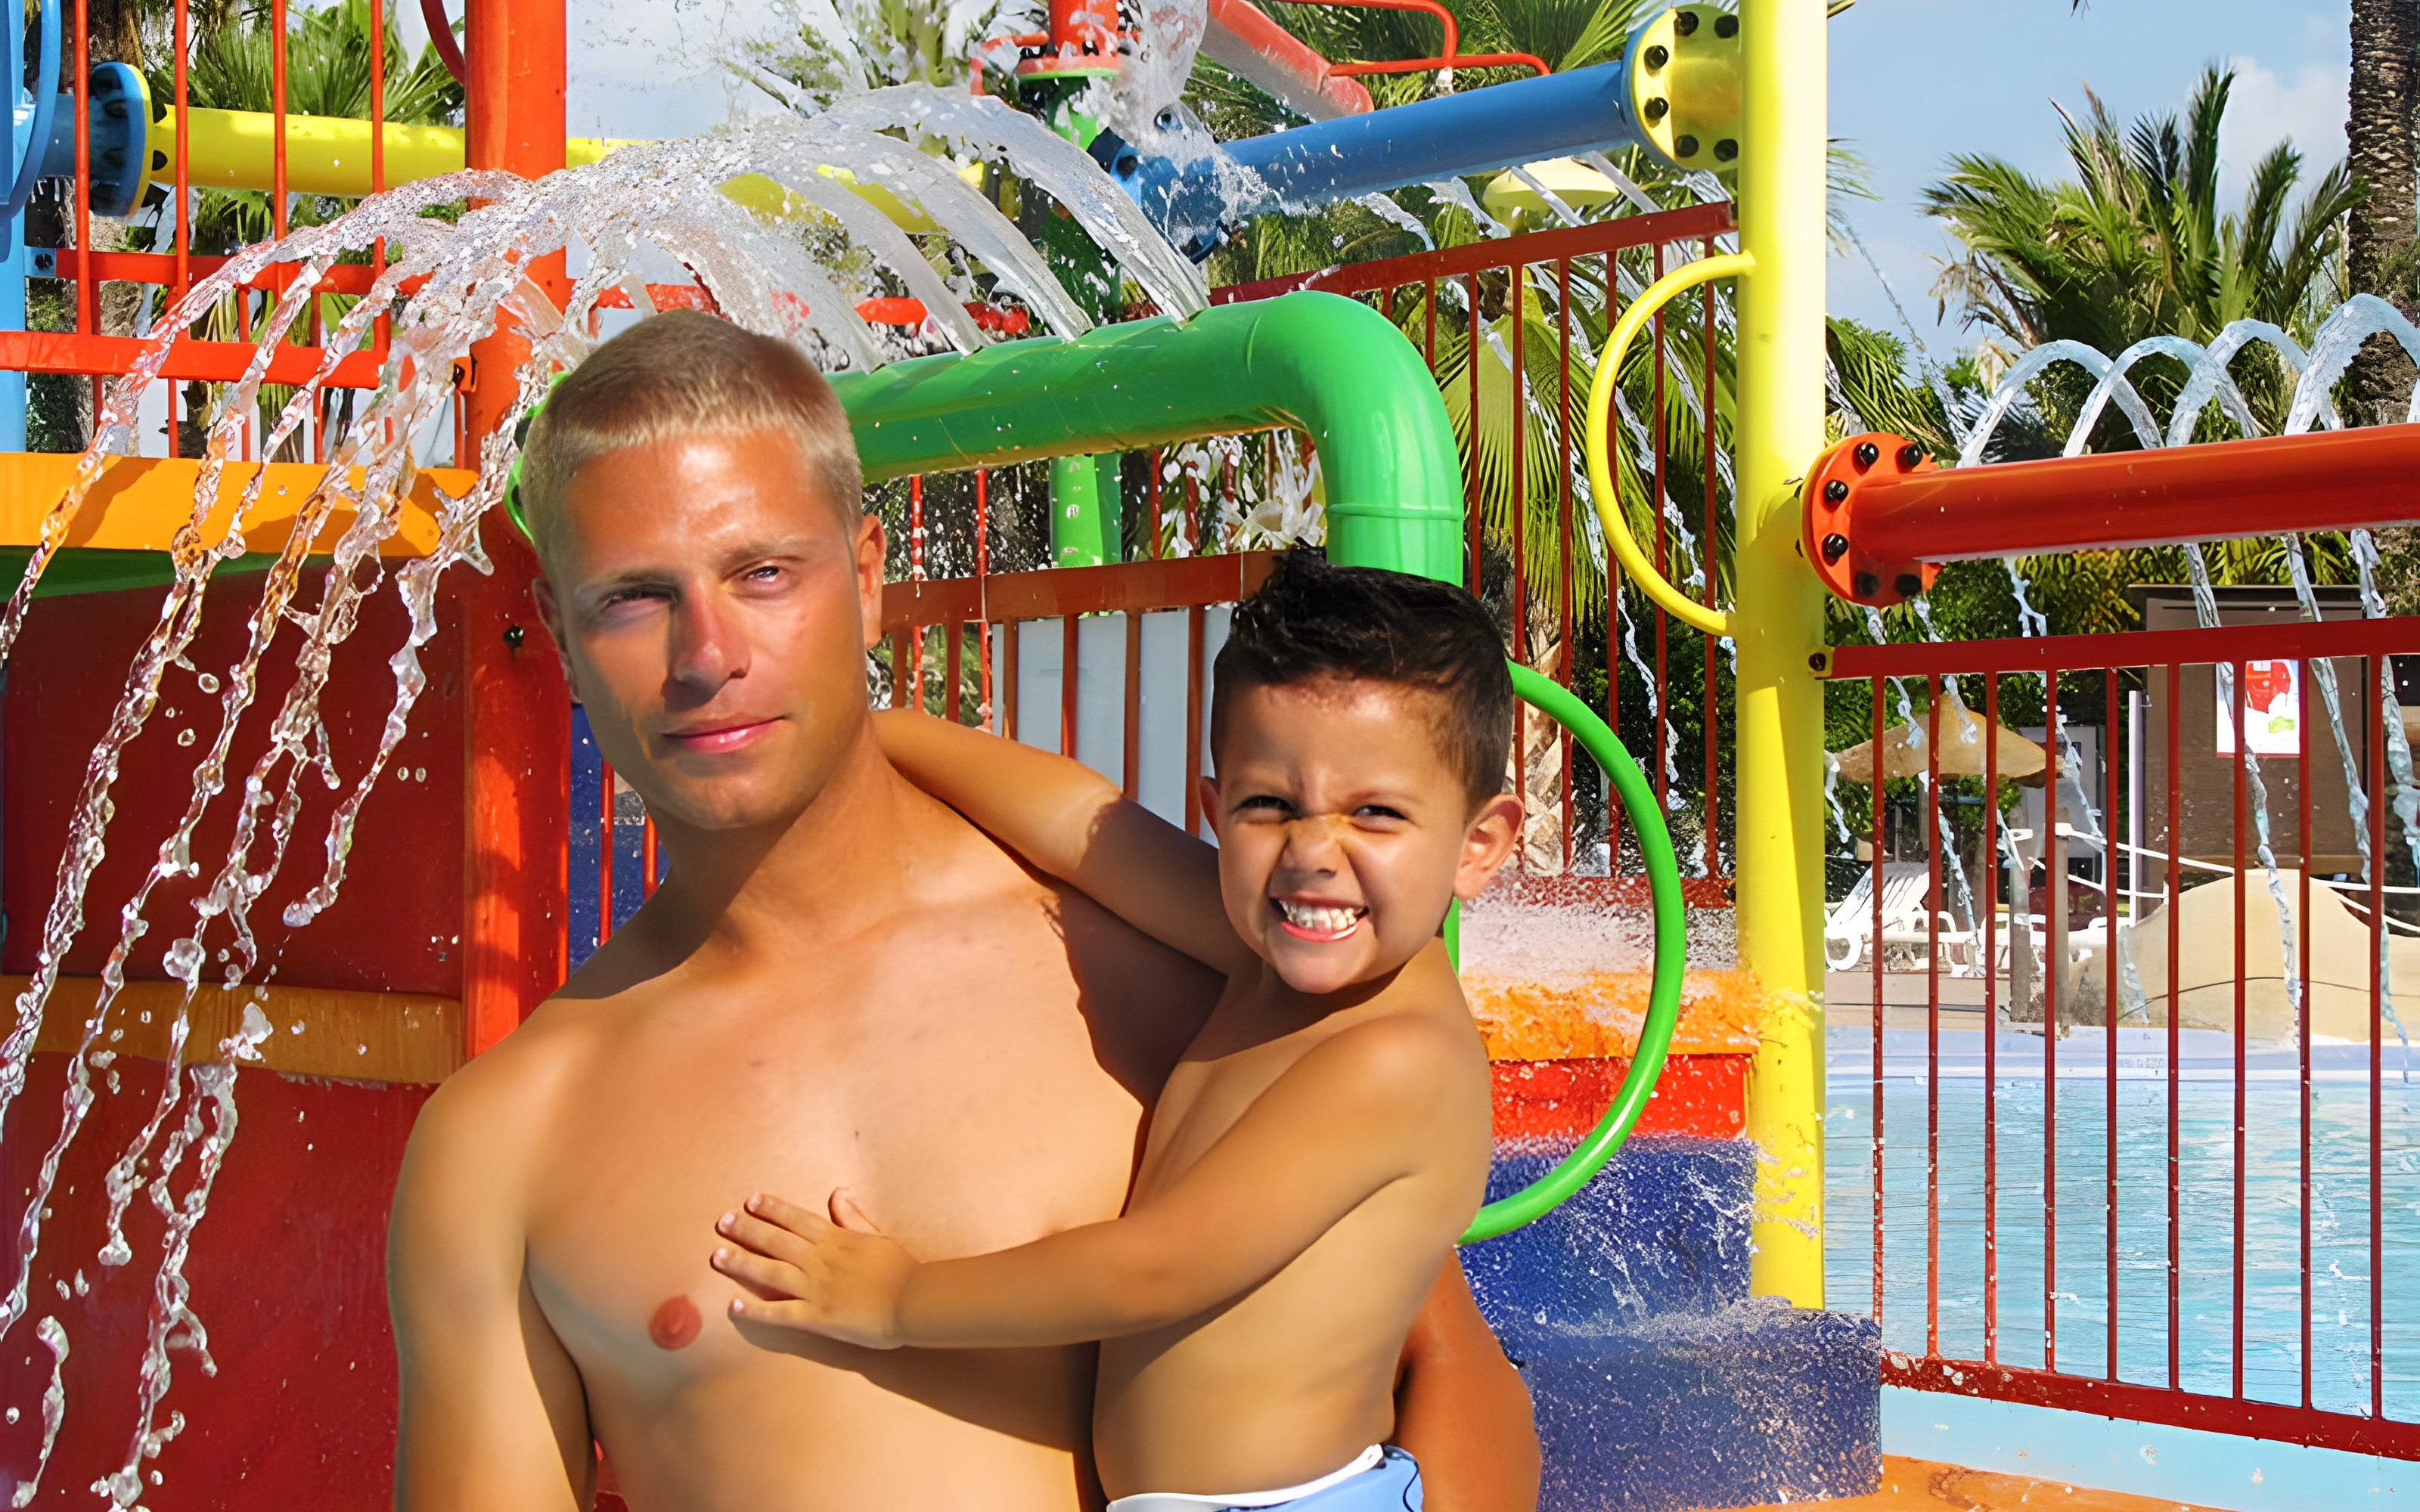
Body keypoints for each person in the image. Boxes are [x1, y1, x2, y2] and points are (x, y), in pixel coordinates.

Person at [385, 309, 1541, 1512]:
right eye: (633, 599)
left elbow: (1447, 1373)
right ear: (566, 650)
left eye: (764, 573)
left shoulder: (1194, 973)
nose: (708, 654)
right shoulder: (503, 1150)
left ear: (870, 579)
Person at [707, 551, 1523, 1512]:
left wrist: (898, 1302)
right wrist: (869, 733)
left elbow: (1156, 1267)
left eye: (1375, 814)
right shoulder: (1266, 949)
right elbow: (1075, 821)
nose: (1312, 851)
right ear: (1217, 808)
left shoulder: (1394, 1057)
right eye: (1270, 805)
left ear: (1477, 845)